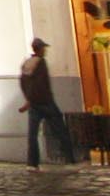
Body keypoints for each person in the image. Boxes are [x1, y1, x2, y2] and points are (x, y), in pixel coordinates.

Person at [20, 37, 76, 168]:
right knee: (61, 130)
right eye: (43, 48)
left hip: (33, 104)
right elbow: (41, 84)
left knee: (32, 134)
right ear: (39, 49)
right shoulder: (41, 63)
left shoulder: (27, 63)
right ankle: (69, 158)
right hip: (46, 102)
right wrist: (43, 98)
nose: (45, 50)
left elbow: (23, 82)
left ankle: (32, 163)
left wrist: (28, 99)